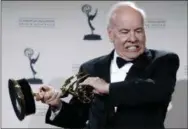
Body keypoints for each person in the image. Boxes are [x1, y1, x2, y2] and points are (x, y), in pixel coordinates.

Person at [36, 1, 180, 129]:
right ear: (111, 34)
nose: (133, 38)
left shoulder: (164, 60)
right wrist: (57, 105)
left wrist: (107, 88)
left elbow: (156, 90)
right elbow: (77, 119)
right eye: (125, 32)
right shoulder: (90, 68)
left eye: (138, 30)